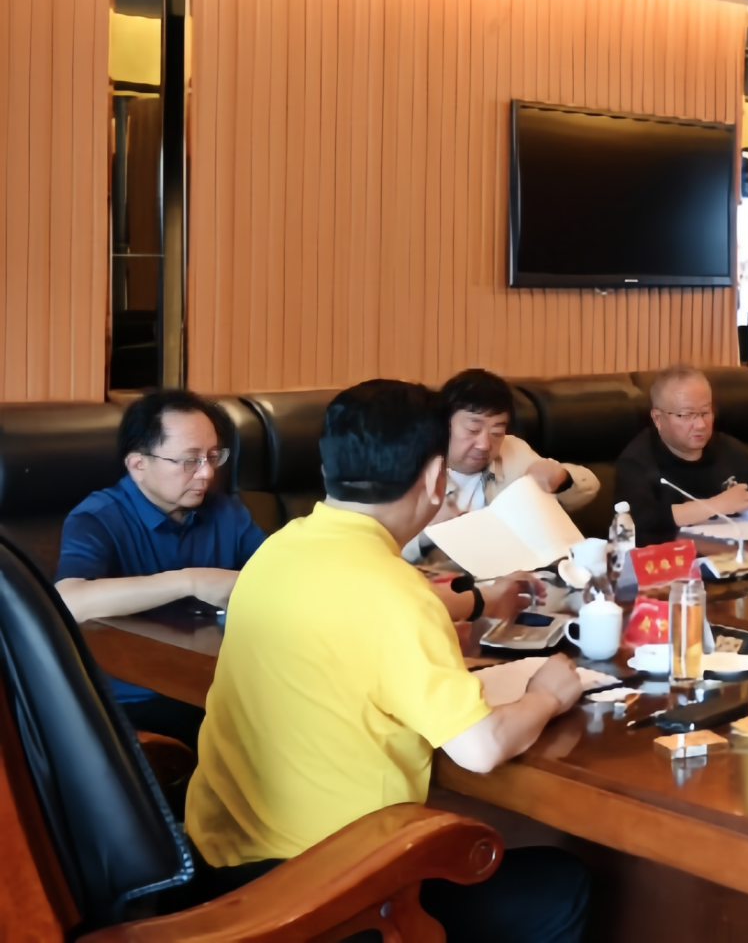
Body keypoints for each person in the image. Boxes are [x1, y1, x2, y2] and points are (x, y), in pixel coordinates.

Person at [185, 380, 589, 941]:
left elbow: (355, 618)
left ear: (328, 469)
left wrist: (474, 603)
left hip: (218, 864)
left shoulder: (277, 550)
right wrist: (548, 695)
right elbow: (482, 747)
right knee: (561, 882)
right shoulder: (396, 594)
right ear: (435, 477)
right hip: (328, 892)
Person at [55, 389, 267, 750]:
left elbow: (276, 574)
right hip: (137, 699)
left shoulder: (225, 510)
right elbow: (68, 600)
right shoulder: (98, 517)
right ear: (138, 465)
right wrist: (188, 581)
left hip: (216, 682)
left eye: (212, 456)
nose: (207, 472)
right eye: (189, 460)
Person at [403, 369, 595, 625]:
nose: (484, 444)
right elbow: (379, 550)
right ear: (443, 424)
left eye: (496, 432)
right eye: (473, 429)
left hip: (524, 589)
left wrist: (562, 477)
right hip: (452, 601)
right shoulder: (413, 465)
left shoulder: (514, 450)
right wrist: (426, 535)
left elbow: (587, 488)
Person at [615, 365, 748, 547]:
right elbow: (638, 521)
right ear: (657, 419)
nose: (701, 425)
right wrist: (716, 505)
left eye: (705, 412)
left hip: (741, 553)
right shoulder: (636, 462)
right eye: (687, 415)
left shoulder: (730, 450)